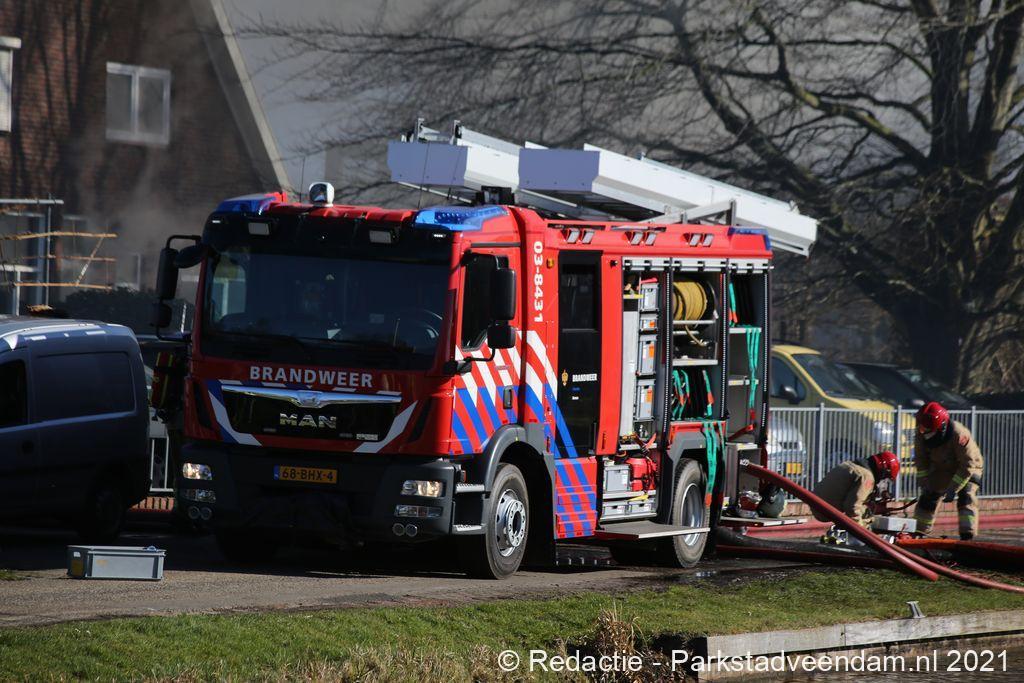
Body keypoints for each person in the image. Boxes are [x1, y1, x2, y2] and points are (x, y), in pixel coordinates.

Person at [913, 401, 984, 540]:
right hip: (942, 468)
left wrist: (953, 489)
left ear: (940, 427)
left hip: (969, 467)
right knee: (928, 496)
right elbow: (921, 460)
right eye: (921, 427)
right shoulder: (921, 432)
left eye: (926, 428)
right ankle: (919, 532)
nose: (922, 431)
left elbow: (968, 464)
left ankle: (967, 535)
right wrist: (924, 483)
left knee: (966, 496)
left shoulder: (959, 434)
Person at [812, 451, 900, 527]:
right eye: (885, 478)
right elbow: (852, 508)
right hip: (825, 512)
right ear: (883, 472)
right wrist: (862, 530)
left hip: (816, 505)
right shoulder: (866, 477)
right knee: (867, 514)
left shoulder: (849, 465)